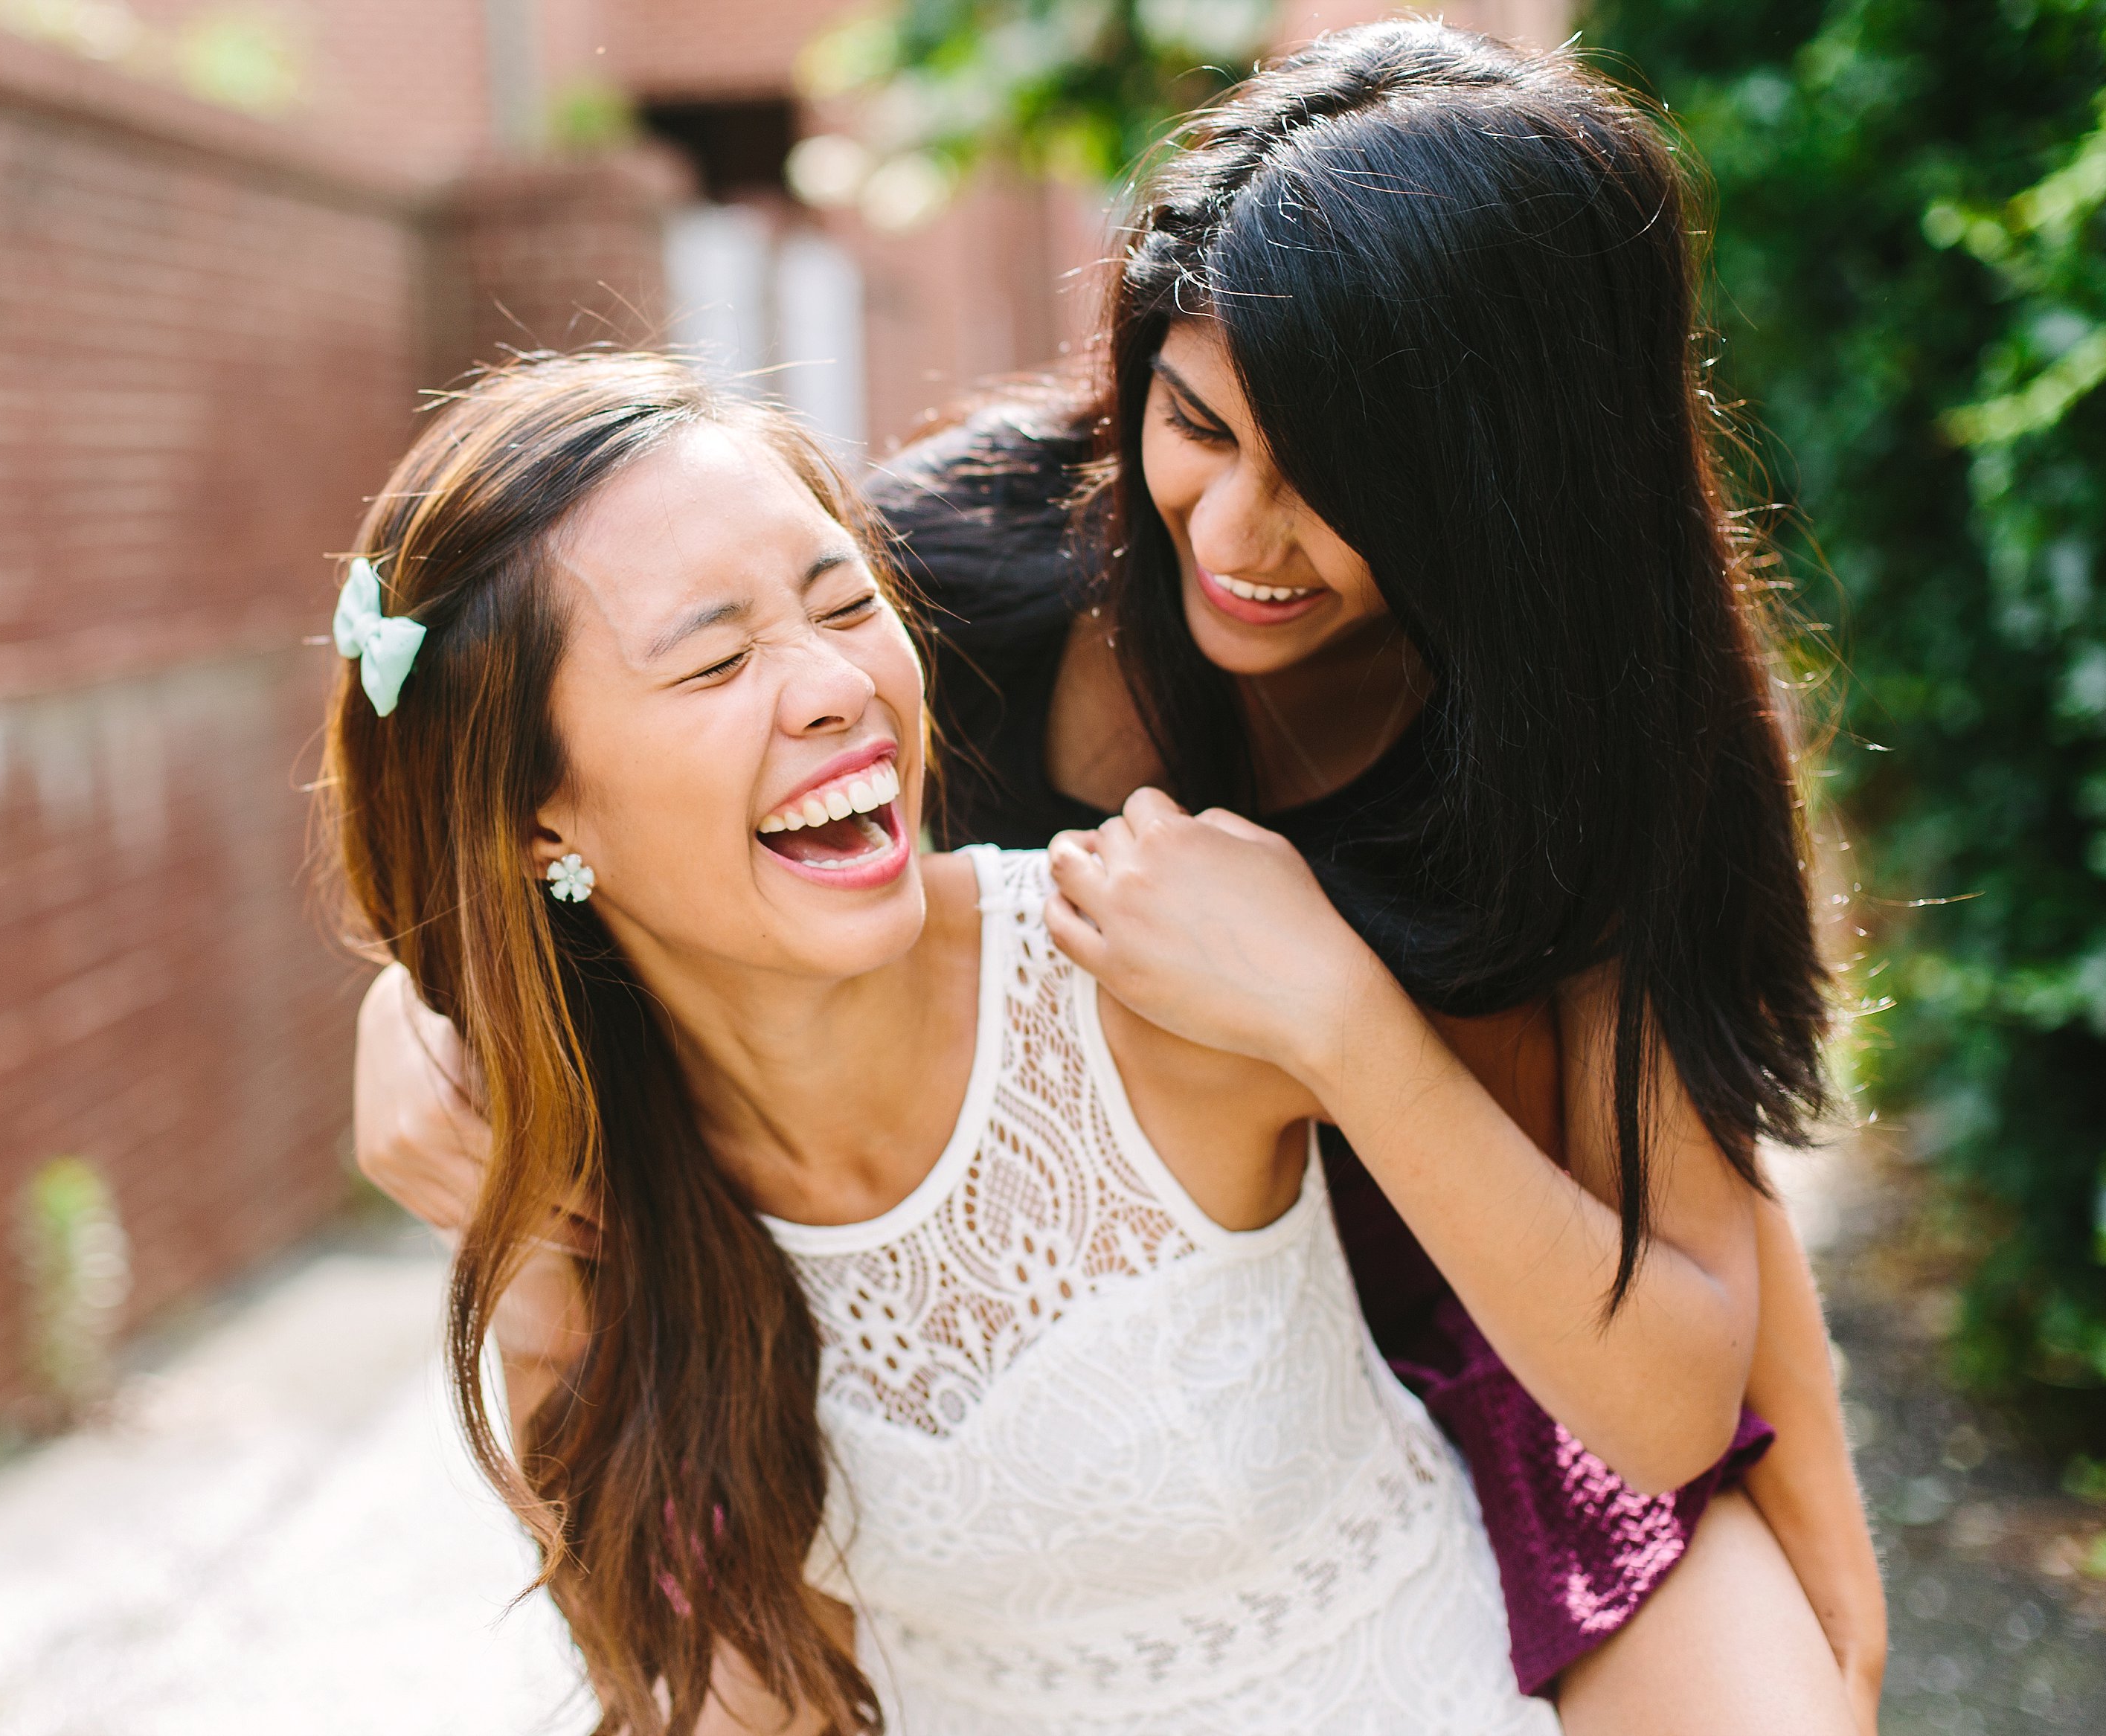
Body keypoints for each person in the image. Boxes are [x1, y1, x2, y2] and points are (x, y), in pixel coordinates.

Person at [354, 22, 1885, 1732]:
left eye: (1337, 482)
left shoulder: (1595, 715)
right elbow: (611, 735)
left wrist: (1807, 1492)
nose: (1233, 535)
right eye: (1197, 425)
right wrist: (428, 994)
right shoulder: (947, 580)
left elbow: (1692, 1202)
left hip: (1493, 1336)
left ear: (1510, 492)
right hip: (1075, 1385)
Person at [326, 348, 1580, 1733]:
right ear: (535, 816)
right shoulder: (591, 1200)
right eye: (717, 658)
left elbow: (1639, 1291)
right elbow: (742, 1708)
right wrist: (539, 1299)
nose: (830, 689)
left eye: (846, 602)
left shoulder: (1158, 967)